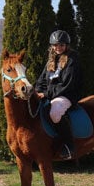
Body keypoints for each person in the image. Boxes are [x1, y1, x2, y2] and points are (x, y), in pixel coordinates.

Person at [35, 30, 82, 160]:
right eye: (55, 45)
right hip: (51, 95)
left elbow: (66, 84)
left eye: (61, 45)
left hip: (67, 95)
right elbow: (42, 80)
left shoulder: (72, 59)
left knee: (54, 113)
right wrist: (37, 91)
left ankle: (69, 145)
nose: (58, 48)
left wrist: (45, 94)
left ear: (66, 45)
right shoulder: (51, 60)